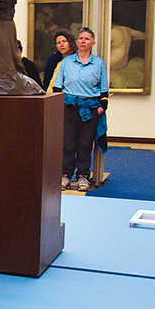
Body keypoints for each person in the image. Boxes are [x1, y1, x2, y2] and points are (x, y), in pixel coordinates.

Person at [53, 26, 108, 191]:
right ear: (77, 42)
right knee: (67, 143)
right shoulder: (67, 62)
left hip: (89, 109)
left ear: (93, 43)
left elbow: (104, 90)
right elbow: (57, 87)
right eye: (81, 38)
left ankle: (83, 176)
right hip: (69, 107)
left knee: (85, 144)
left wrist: (100, 109)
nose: (83, 41)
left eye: (87, 39)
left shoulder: (98, 63)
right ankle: (65, 175)